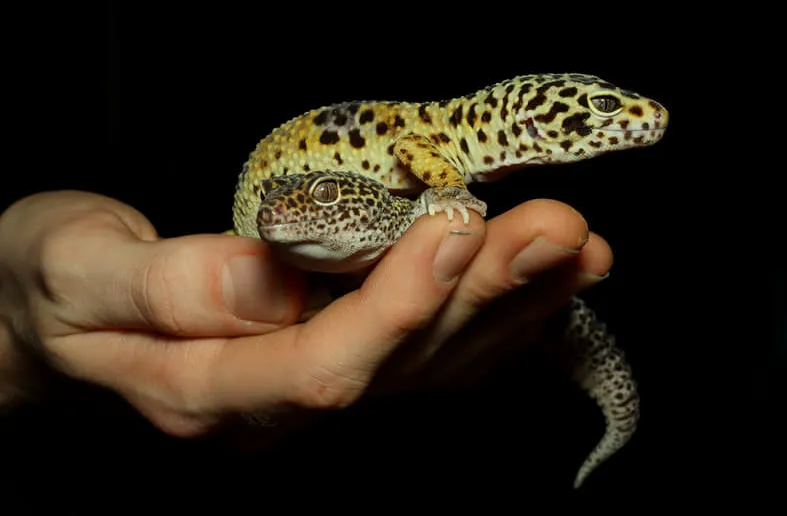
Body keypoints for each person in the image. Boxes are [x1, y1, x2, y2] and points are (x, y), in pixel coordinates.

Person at [0, 189, 611, 439]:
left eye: (320, 197)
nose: (282, 212)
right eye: (274, 204)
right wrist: (20, 347)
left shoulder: (423, 215)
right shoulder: (284, 258)